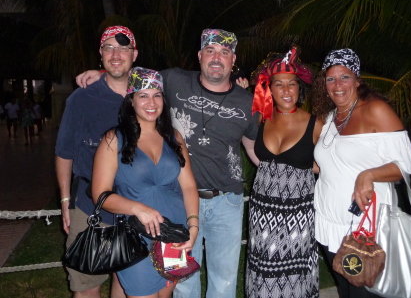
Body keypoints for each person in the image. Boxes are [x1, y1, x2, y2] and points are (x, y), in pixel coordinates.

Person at [76, 28, 259, 298]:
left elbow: (253, 148)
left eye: (224, 52)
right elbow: (136, 77)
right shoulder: (173, 80)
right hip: (142, 229)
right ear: (199, 56)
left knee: (217, 283)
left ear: (234, 59)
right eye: (210, 51)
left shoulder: (243, 103)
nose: (217, 57)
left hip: (206, 211)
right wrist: (103, 74)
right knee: (182, 290)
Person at [311, 48, 411, 298]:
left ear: (357, 80)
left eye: (345, 77)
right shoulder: (328, 118)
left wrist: (368, 175)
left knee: (365, 292)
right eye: (330, 79)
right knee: (346, 290)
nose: (337, 85)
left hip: (366, 228)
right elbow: (324, 165)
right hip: (330, 223)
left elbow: (405, 166)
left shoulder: (376, 110)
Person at [91, 67, 199, 298]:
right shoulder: (114, 139)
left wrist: (193, 226)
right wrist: (137, 209)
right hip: (135, 237)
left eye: (157, 95)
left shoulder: (174, 137)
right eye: (143, 95)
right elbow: (100, 194)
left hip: (173, 233)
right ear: (131, 100)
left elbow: (189, 186)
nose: (151, 102)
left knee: (166, 295)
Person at [56, 25, 138, 298]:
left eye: (123, 48)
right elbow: (64, 152)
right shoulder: (82, 98)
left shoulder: (148, 94)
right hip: (90, 206)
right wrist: (66, 200)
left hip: (135, 205)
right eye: (109, 48)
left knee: (127, 281)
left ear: (134, 54)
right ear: (100, 54)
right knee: (87, 285)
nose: (116, 54)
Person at [246, 46, 322, 298]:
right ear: (269, 88)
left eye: (292, 84)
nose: (287, 91)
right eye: (279, 84)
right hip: (262, 210)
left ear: (300, 88)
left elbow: (329, 164)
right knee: (262, 267)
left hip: (297, 213)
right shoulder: (262, 119)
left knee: (291, 270)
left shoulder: (315, 124)